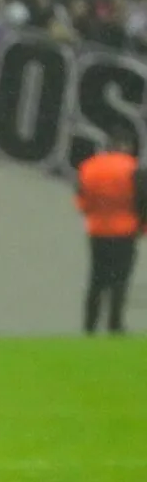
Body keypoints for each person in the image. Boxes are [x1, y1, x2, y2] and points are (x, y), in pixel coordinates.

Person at [75, 134, 145, 334]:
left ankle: (89, 325)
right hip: (125, 230)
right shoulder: (132, 167)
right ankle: (115, 323)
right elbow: (142, 199)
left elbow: (82, 199)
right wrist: (142, 226)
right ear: (127, 146)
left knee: (96, 278)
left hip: (98, 229)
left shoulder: (90, 166)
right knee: (119, 279)